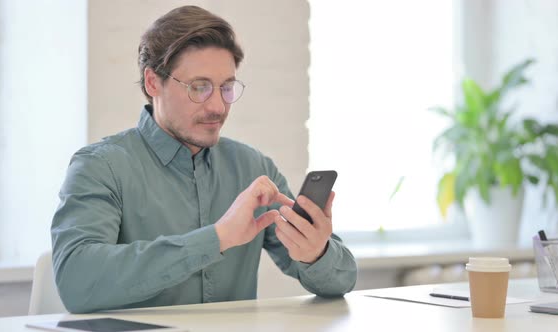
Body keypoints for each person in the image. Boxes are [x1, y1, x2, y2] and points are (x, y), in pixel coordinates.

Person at [51, 5, 357, 314]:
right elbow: (77, 284)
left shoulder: (254, 169)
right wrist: (217, 237)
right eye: (199, 87)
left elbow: (341, 281)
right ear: (153, 82)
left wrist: (316, 253)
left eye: (226, 87)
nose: (218, 107)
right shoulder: (99, 166)